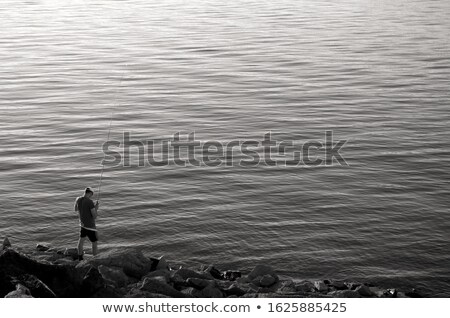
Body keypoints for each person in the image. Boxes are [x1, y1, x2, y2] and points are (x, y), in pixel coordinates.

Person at [74, 187, 100, 260]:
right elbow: (94, 216)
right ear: (90, 193)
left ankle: (80, 258)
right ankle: (95, 259)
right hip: (90, 226)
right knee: (94, 243)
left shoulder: (78, 199)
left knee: (81, 240)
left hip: (82, 224)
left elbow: (75, 209)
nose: (91, 196)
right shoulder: (90, 202)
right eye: (92, 194)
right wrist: (96, 208)